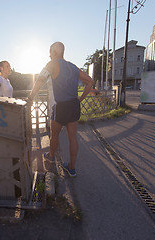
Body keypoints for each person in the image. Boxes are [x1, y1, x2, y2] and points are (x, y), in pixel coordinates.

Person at [27, 42, 94, 177]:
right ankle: (72, 168)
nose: (49, 54)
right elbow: (90, 81)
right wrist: (80, 99)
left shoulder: (52, 64)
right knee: (72, 137)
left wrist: (30, 99)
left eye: (50, 51)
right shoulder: (73, 67)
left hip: (61, 106)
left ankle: (51, 156)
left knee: (55, 134)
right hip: (74, 105)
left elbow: (40, 80)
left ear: (55, 52)